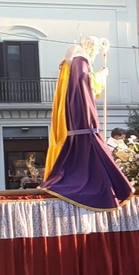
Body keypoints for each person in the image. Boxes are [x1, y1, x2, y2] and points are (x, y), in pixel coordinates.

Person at [40, 36, 133, 211]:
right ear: (91, 47)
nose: (96, 54)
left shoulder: (77, 60)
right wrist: (102, 76)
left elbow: (87, 87)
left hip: (78, 113)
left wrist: (99, 77)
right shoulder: (81, 59)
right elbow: (84, 82)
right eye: (96, 51)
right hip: (82, 119)